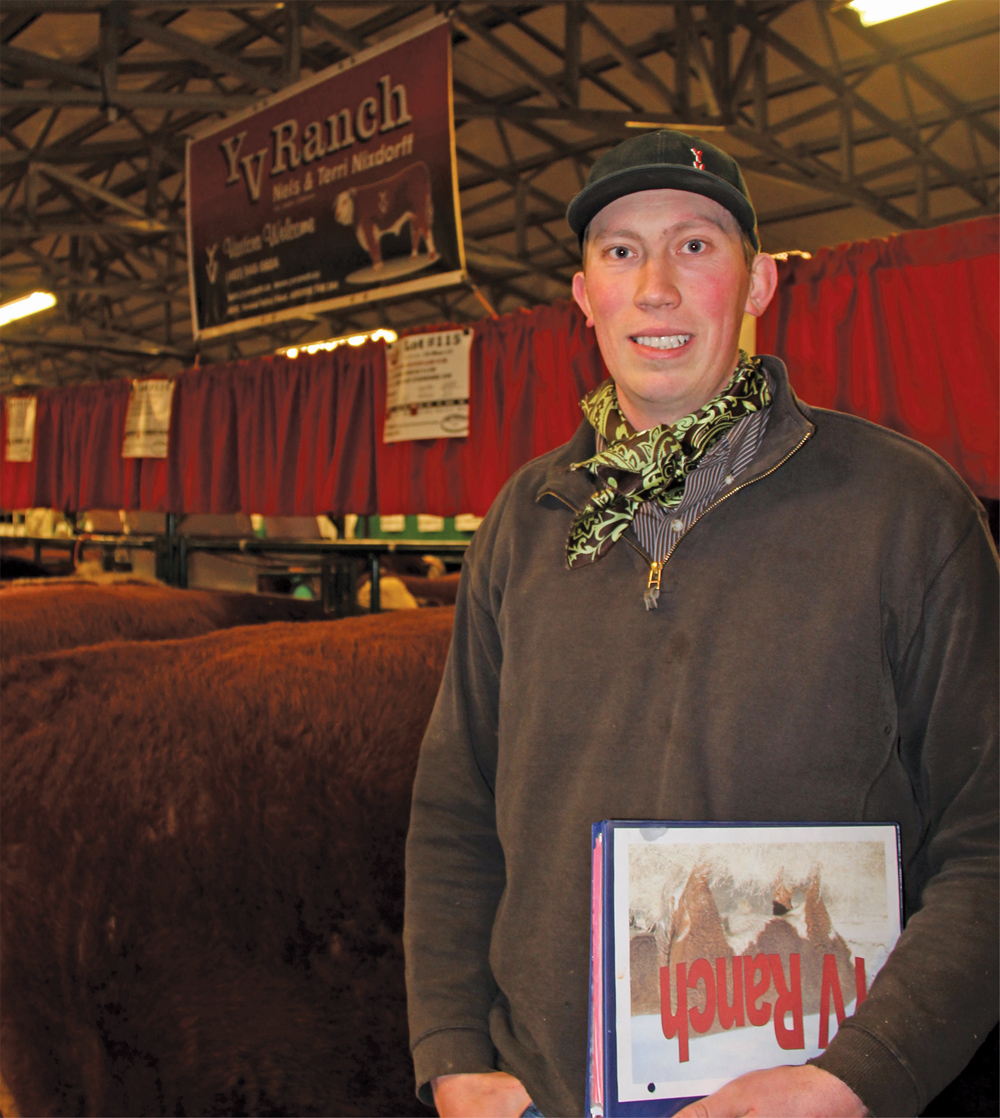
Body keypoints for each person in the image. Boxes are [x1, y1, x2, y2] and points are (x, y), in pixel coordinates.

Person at [403, 130, 998, 1118]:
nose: (656, 289)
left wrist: (858, 1076)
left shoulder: (904, 510)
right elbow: (454, 811)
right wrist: (453, 1049)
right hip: (543, 1096)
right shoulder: (524, 519)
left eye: (695, 246)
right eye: (621, 252)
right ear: (584, 294)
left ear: (759, 282)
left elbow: (986, 834)